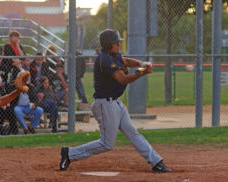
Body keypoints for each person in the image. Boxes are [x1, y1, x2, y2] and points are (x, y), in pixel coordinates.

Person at [59, 29, 171, 173]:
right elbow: (122, 79)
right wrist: (142, 71)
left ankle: (156, 162)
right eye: (116, 43)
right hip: (105, 104)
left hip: (115, 103)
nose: (119, 45)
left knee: (132, 133)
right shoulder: (103, 60)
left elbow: (126, 61)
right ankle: (69, 154)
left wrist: (142, 63)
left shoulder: (115, 55)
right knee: (107, 143)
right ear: (108, 45)